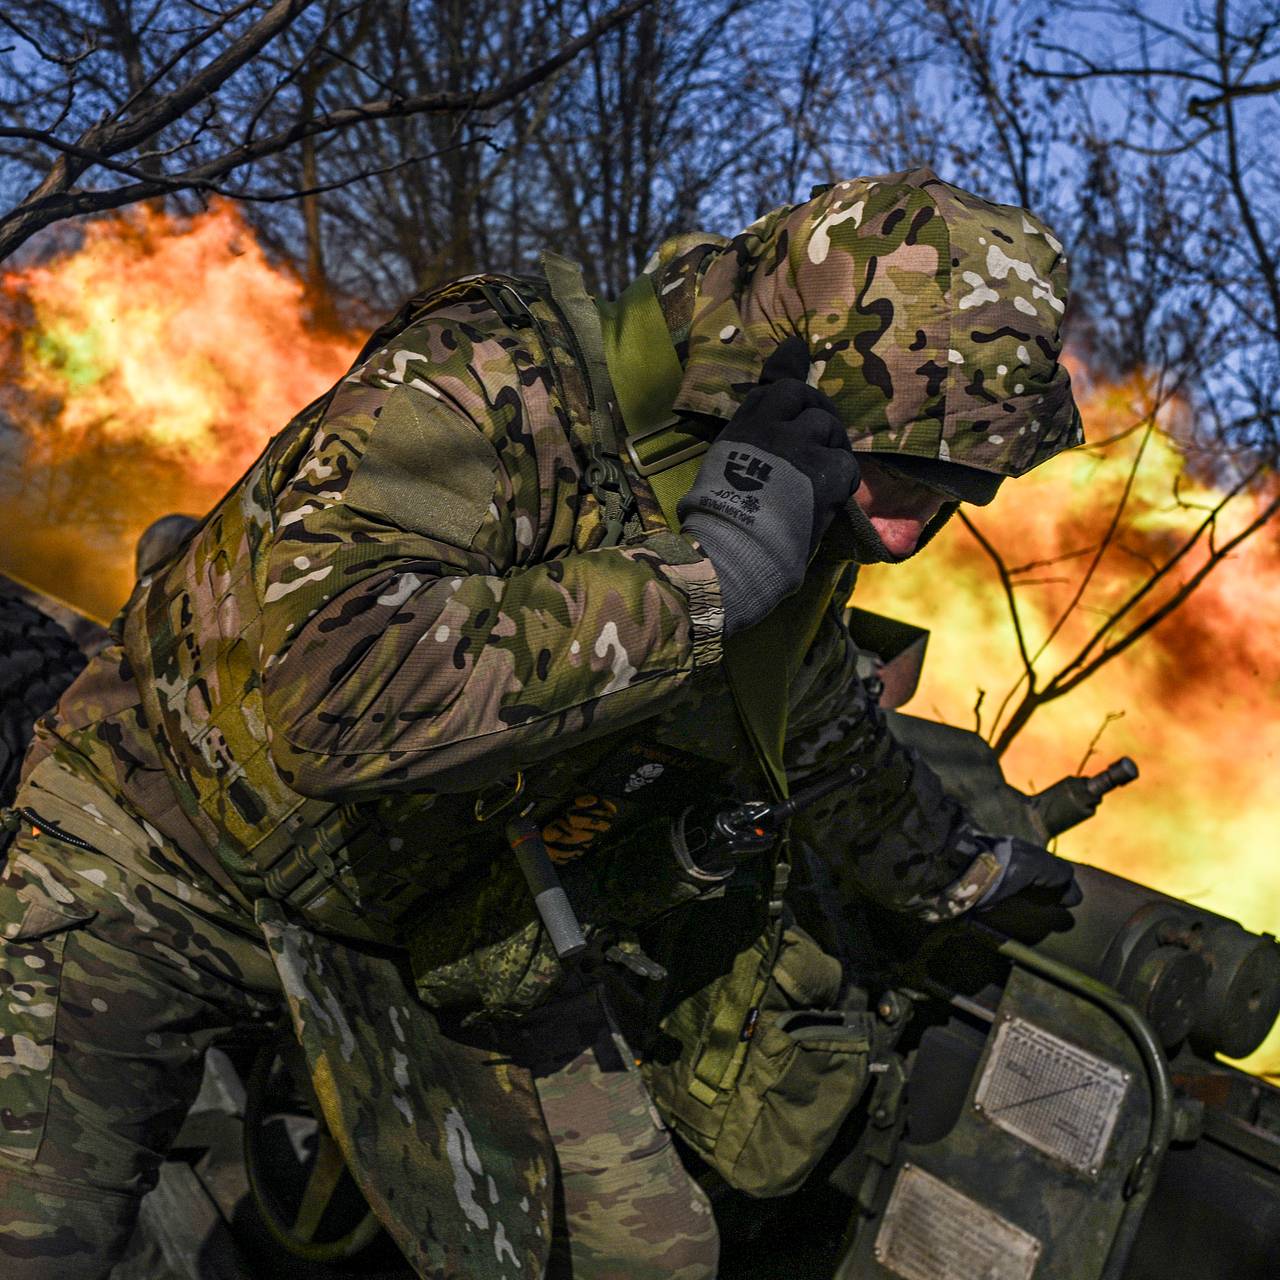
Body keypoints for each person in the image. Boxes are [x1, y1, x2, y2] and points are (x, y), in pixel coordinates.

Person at [0, 167, 1083, 1279]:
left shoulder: (798, 516)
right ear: (792, 367)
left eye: (956, 489)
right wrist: (700, 582)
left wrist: (963, 874)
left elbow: (821, 744)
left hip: (430, 931)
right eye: (896, 466)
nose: (905, 534)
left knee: (652, 1254)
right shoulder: (499, 374)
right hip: (160, 844)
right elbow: (332, 693)